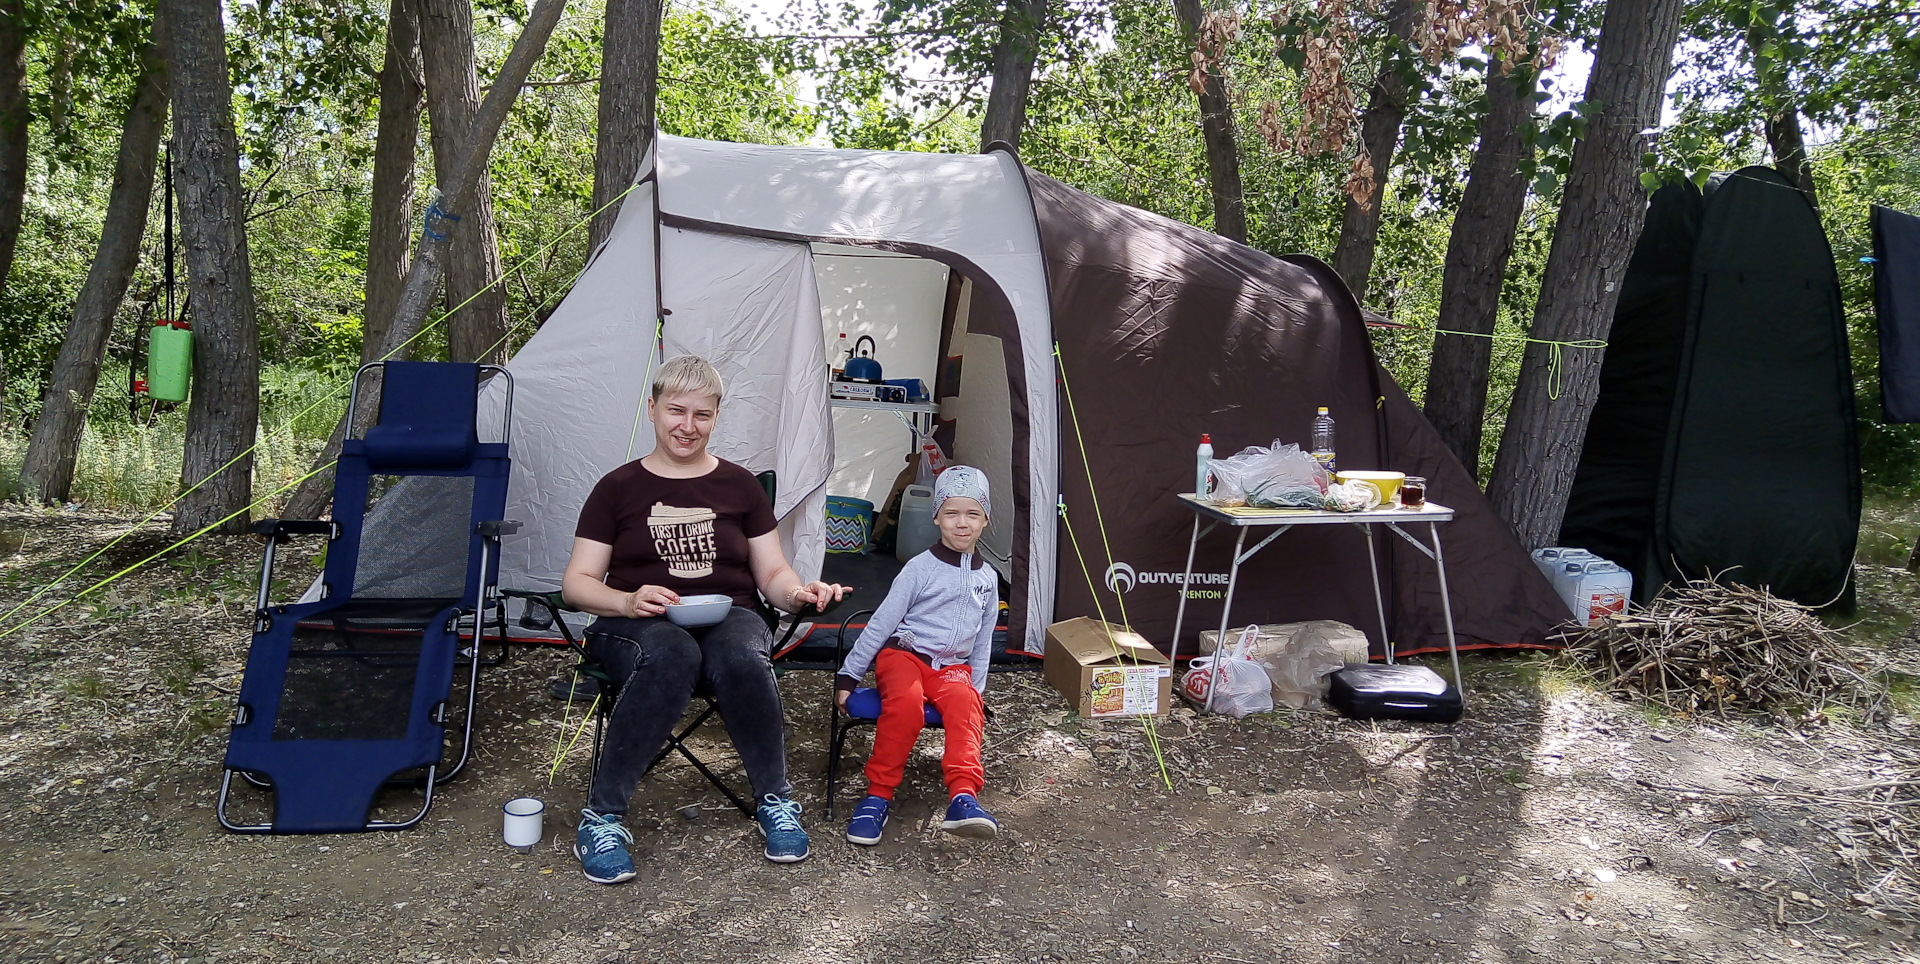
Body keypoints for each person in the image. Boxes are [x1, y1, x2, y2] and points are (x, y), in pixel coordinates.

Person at [562, 355, 845, 883]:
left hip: (728, 614)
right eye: (676, 411)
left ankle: (776, 801)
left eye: (702, 414)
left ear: (716, 417)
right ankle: (602, 818)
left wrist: (799, 593)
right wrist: (626, 600)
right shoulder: (617, 488)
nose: (687, 426)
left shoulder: (739, 487)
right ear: (652, 409)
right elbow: (576, 584)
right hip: (634, 623)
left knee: (742, 654)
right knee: (672, 651)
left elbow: (773, 573)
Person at [834, 465, 1000, 845]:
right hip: (906, 656)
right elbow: (882, 622)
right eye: (952, 513)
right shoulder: (920, 568)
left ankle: (963, 798)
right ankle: (877, 796)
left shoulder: (988, 579)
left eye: (972, 514)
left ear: (986, 520)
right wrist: (849, 675)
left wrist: (976, 691)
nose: (962, 523)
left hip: (951, 668)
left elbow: (983, 640)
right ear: (937, 516)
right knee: (906, 705)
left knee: (966, 708)